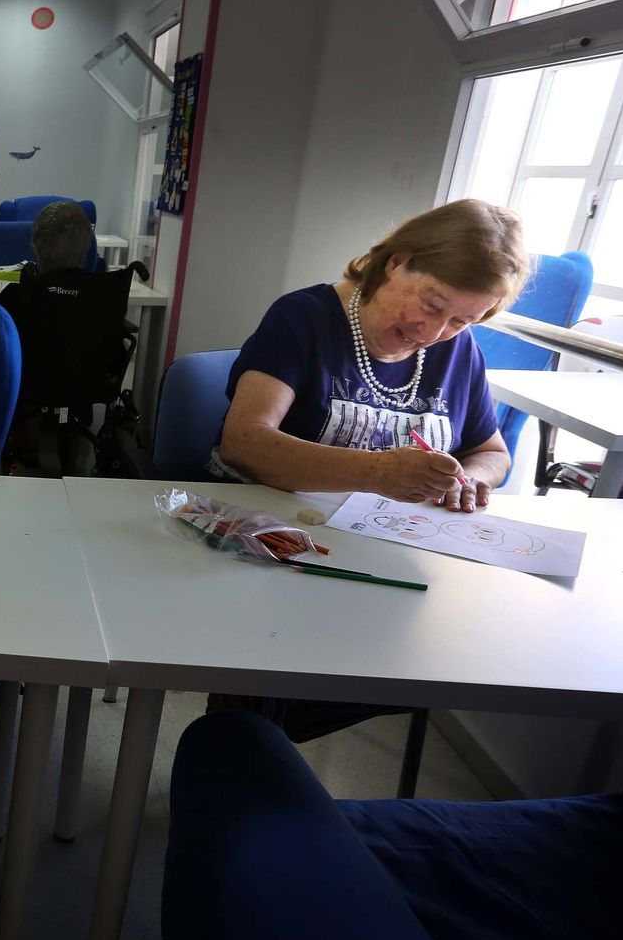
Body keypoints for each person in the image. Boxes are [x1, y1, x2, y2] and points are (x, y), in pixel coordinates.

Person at [206, 199, 529, 742]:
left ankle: (253, 745)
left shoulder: (458, 351)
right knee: (280, 690)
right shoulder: (303, 319)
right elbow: (244, 442)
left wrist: (473, 479)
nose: (434, 331)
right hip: (276, 555)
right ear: (397, 262)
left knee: (450, 658)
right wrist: (378, 473)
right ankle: (244, 748)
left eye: (462, 320)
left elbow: (492, 451)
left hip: (385, 560)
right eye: (432, 304)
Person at [0, 200, 135, 475]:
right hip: (90, 385)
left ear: (36, 247)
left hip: (28, 389)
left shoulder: (19, 296)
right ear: (84, 252)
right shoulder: (106, 295)